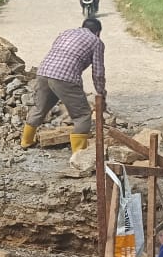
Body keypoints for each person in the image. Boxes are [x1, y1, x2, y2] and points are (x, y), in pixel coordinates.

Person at [20, 17, 106, 154]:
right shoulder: (96, 42)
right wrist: (101, 93)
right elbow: (98, 72)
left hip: (43, 72)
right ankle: (79, 154)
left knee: (39, 108)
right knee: (82, 115)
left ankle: (26, 141)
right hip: (65, 78)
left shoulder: (66, 33)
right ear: (98, 32)